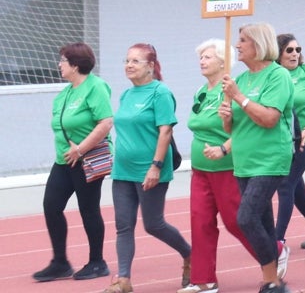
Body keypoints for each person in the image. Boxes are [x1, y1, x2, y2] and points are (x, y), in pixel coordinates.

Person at [108, 43, 192, 293]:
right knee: (123, 225)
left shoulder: (161, 93)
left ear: (151, 66)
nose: (128, 65)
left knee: (153, 224)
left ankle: (190, 254)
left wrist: (155, 166)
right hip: (122, 170)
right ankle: (123, 279)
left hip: (150, 168)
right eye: (126, 60)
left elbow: (166, 130)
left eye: (135, 61)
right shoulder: (126, 95)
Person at [218, 23, 295, 293]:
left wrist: (238, 98)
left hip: (270, 158)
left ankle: (273, 279)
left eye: (243, 41)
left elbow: (270, 119)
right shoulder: (239, 79)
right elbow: (233, 127)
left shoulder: (278, 76)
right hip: (244, 160)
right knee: (262, 221)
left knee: (246, 218)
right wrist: (227, 119)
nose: (237, 46)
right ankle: (272, 281)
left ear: (259, 45)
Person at [34, 42, 113, 283]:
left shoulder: (96, 87)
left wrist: (80, 149)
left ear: (76, 65)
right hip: (64, 161)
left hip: (87, 158)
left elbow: (105, 122)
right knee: (51, 206)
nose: (59, 65)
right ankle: (60, 262)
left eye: (63, 61)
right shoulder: (66, 92)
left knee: (88, 209)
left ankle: (97, 262)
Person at [183, 40, 256, 293]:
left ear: (223, 62)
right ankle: (203, 280)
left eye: (207, 57)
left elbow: (245, 130)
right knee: (200, 221)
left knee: (236, 221)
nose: (202, 61)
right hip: (200, 170)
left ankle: (274, 253)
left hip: (226, 168)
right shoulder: (201, 91)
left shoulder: (231, 90)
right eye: (200, 57)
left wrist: (223, 148)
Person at [274, 34, 305, 250]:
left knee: (285, 184)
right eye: (289, 50)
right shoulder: (273, 75)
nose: (295, 54)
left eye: (297, 49)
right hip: (281, 139)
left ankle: (277, 240)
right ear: (277, 54)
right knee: (296, 187)